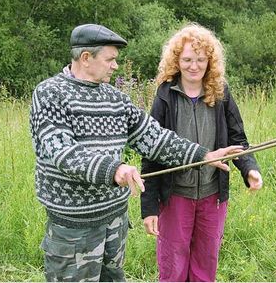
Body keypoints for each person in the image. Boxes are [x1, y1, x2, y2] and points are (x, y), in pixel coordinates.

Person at [29, 23, 244, 282]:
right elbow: (62, 151)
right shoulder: (50, 93)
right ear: (86, 58)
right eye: (110, 59)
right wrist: (115, 169)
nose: (115, 66)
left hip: (114, 221)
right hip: (74, 228)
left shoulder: (115, 99)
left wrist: (202, 155)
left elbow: (154, 137)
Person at [141, 23, 263, 282]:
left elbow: (238, 139)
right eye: (186, 59)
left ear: (210, 61)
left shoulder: (220, 93)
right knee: (172, 267)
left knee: (204, 267)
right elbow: (151, 150)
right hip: (174, 196)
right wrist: (149, 206)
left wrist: (250, 169)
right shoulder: (165, 96)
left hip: (212, 196)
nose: (193, 66)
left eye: (200, 59)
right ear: (177, 61)